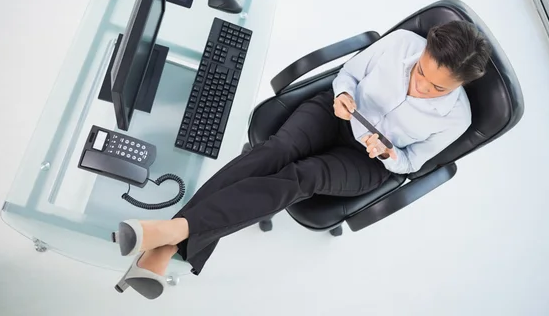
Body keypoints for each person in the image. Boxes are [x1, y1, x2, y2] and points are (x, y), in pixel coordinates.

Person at [113, 20, 492, 299]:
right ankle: (169, 242)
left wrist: (390, 154)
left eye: (437, 87)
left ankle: (170, 234)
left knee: (301, 177)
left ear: (460, 85)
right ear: (423, 51)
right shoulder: (400, 45)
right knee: (275, 151)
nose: (421, 85)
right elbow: (348, 75)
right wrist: (344, 96)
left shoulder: (456, 119)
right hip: (337, 113)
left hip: (367, 161)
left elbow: (412, 163)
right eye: (421, 72)